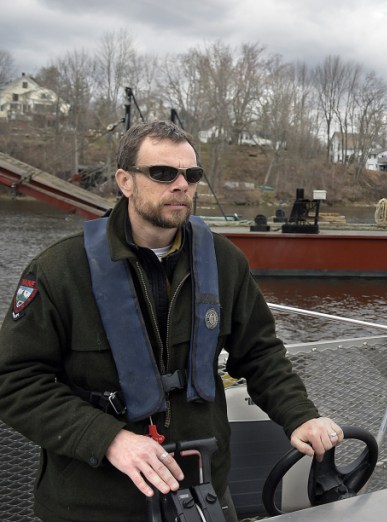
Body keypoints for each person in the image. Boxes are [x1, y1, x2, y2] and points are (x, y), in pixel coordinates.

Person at [0, 121, 344, 521]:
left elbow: (261, 354)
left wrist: (300, 415)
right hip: (93, 501)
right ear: (125, 181)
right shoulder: (59, 270)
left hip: (204, 490)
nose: (181, 185)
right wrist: (109, 439)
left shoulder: (224, 261)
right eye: (163, 173)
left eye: (191, 175)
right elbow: (14, 380)